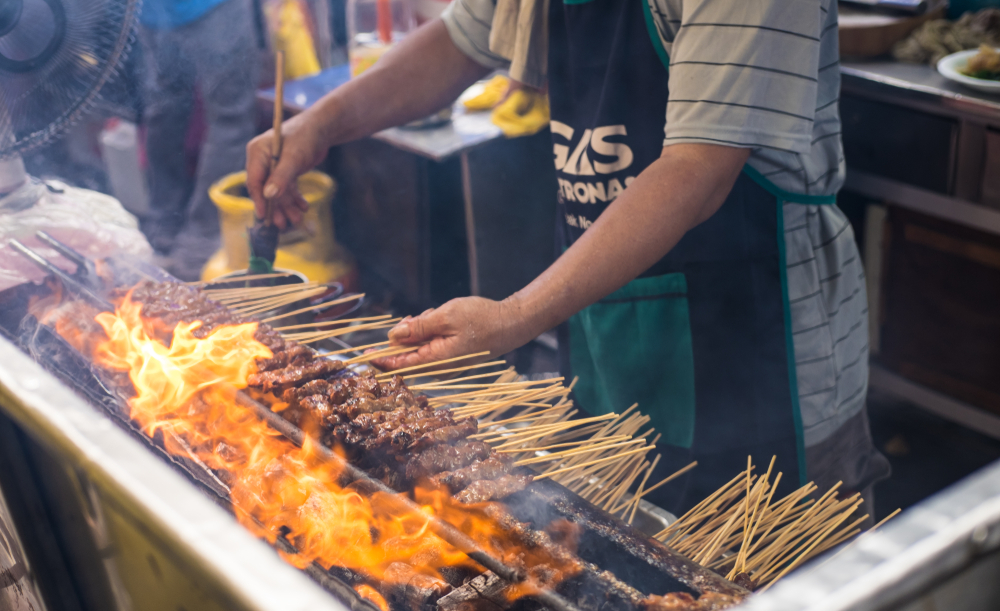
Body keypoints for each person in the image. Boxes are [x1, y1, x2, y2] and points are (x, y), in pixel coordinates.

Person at [245, 0, 890, 515]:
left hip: (761, 345)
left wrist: (516, 315)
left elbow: (698, 168)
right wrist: (321, 124)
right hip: (606, 330)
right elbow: (462, 40)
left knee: (766, 607)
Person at [140, 0, 260, 280]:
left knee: (165, 110)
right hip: (209, 7)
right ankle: (201, 242)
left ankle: (163, 230)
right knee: (230, 119)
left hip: (151, 12)